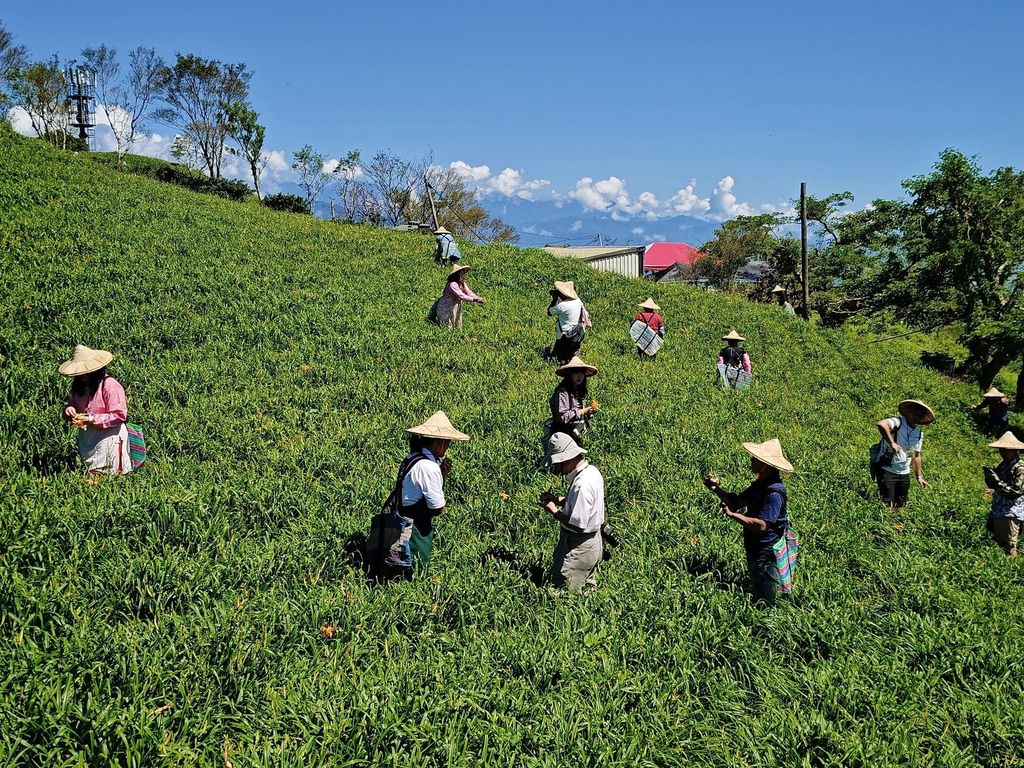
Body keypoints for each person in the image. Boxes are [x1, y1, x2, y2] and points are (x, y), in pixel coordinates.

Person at [703, 438, 795, 607]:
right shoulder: (760, 485)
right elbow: (737, 502)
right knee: (758, 588)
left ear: (764, 465)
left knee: (765, 601)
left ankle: (767, 627)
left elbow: (762, 525)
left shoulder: (773, 492)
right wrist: (715, 488)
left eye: (755, 458)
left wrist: (732, 515)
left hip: (766, 552)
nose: (751, 460)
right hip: (755, 547)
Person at [398, 411, 469, 568]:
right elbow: (437, 508)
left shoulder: (412, 458)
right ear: (440, 442)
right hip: (416, 531)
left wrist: (441, 475)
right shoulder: (429, 467)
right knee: (416, 572)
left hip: (402, 524)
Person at [539, 432, 605, 590]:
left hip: (579, 546)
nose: (556, 468)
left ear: (564, 459)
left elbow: (578, 524)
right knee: (587, 590)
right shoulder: (592, 472)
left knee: (561, 592)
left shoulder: (581, 484)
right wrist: (556, 499)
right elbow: (581, 506)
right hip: (594, 542)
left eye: (556, 463)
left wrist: (554, 512)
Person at [59, 345, 132, 475]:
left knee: (111, 473)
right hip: (88, 437)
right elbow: (71, 407)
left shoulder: (110, 385)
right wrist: (68, 410)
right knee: (91, 472)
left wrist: (92, 419)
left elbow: (120, 415)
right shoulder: (77, 387)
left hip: (109, 437)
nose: (81, 374)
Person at [875, 399, 935, 508]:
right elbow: (881, 424)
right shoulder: (898, 422)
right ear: (908, 411)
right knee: (886, 504)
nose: (916, 417)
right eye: (914, 413)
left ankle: (896, 523)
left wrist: (919, 476)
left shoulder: (918, 433)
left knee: (900, 505)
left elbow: (914, 455)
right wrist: (892, 442)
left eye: (919, 415)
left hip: (904, 473)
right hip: (887, 470)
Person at [983, 431, 1024, 556]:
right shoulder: (1003, 465)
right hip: (999, 509)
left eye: (1006, 450)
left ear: (1014, 450)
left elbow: (1016, 492)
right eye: (1001, 449)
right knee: (999, 543)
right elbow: (995, 486)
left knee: (1010, 545)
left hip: (1012, 511)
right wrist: (990, 478)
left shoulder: (1020, 467)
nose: (1003, 452)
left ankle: (1014, 571)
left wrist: (997, 482)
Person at [547, 356, 599, 446]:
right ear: (569, 374)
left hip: (575, 432)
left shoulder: (578, 390)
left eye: (582, 373)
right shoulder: (562, 392)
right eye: (576, 373)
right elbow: (563, 417)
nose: (579, 376)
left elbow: (579, 412)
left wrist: (589, 412)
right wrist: (582, 412)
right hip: (562, 433)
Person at [547, 281, 591, 364]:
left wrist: (554, 299)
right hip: (578, 335)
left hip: (564, 338)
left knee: (555, 362)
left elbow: (549, 312)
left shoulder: (562, 305)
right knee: (573, 362)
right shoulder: (578, 301)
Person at [434, 264, 485, 328]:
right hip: (446, 306)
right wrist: (474, 300)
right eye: (461, 273)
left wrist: (477, 298)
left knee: (457, 324)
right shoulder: (453, 284)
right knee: (447, 325)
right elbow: (461, 295)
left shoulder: (462, 283)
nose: (462, 275)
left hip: (455, 305)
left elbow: (468, 292)